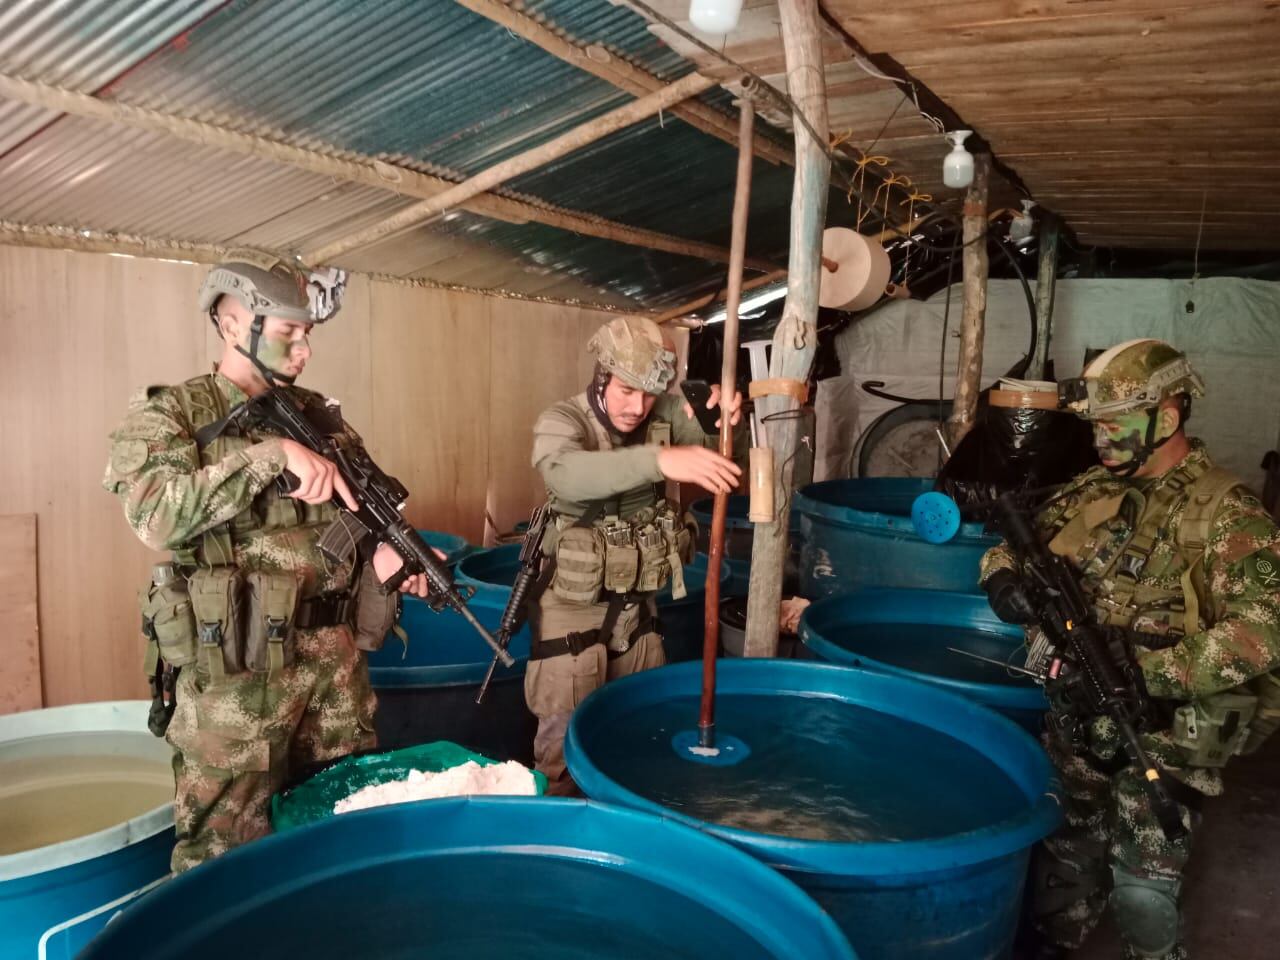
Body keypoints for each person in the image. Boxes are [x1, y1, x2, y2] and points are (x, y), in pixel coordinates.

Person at [104, 250, 431, 872]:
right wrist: (271, 455)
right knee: (225, 857)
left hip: (333, 668)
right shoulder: (173, 414)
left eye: (307, 334)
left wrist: (392, 558)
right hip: (239, 675)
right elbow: (156, 517)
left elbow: (357, 522)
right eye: (288, 333)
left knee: (342, 830)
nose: (303, 350)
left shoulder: (319, 417)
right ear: (231, 323)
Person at [979, 339, 1280, 959]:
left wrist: (1148, 673)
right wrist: (1003, 581)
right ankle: (1062, 942)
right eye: (1096, 427)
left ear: (1164, 419)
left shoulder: (1228, 516)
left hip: (1161, 734)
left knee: (1143, 894)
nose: (1098, 440)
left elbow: (1262, 632)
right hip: (1077, 722)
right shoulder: (1092, 490)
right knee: (1063, 860)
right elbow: (1011, 543)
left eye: (1114, 426)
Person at [525, 316, 743, 793]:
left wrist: (721, 418)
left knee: (641, 735)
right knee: (562, 754)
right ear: (601, 375)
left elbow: (720, 454)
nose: (636, 407)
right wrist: (657, 460)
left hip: (638, 610)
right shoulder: (562, 421)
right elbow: (565, 475)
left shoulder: (664, 412)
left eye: (647, 395)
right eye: (625, 390)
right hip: (572, 616)